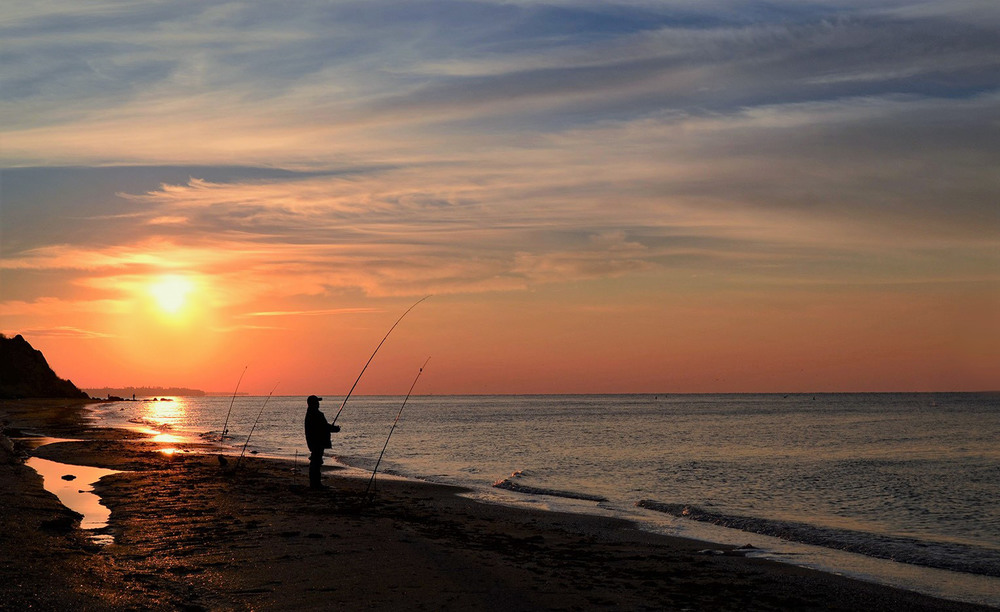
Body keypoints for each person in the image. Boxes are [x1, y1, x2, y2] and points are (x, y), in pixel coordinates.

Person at [304, 395, 340, 489]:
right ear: (313, 403)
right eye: (317, 402)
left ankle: (315, 483)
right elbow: (324, 427)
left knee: (316, 461)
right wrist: (335, 429)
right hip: (317, 441)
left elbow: (322, 426)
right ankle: (316, 484)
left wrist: (332, 428)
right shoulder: (316, 414)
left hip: (313, 441)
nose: (318, 404)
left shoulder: (310, 414)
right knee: (316, 462)